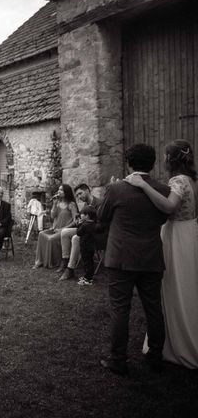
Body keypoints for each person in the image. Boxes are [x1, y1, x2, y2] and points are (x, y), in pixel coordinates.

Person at [124, 139, 198, 369]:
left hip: (177, 236)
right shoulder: (194, 180)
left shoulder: (178, 181)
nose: (163, 160)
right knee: (190, 286)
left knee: (175, 287)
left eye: (166, 156)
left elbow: (168, 207)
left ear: (172, 159)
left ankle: (181, 344)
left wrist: (143, 186)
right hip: (191, 232)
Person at [98, 143, 170, 375]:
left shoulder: (116, 189)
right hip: (150, 256)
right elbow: (162, 219)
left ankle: (118, 359)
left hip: (121, 257)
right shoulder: (162, 189)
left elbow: (102, 216)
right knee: (153, 308)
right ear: (153, 163)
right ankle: (156, 356)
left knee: (120, 309)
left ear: (129, 163)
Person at [58, 183, 103, 280]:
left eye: (80, 193)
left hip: (96, 235)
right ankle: (65, 260)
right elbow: (81, 218)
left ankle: (70, 269)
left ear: (87, 191)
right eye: (77, 195)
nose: (78, 197)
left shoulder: (99, 204)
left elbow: (100, 225)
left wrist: (86, 223)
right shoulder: (86, 204)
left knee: (76, 237)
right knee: (65, 232)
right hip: (85, 230)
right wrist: (78, 219)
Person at [33, 184, 78, 269]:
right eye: (58, 190)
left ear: (66, 192)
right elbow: (53, 216)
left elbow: (75, 221)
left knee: (51, 239)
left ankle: (53, 262)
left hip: (64, 230)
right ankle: (40, 261)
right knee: (41, 234)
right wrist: (54, 204)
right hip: (55, 229)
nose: (59, 191)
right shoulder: (57, 203)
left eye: (61, 190)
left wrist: (63, 229)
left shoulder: (71, 204)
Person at [75, 205, 98, 286]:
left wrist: (79, 224)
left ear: (87, 215)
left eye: (82, 214)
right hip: (91, 247)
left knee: (86, 263)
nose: (81, 215)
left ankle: (88, 279)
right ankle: (88, 277)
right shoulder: (94, 224)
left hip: (85, 247)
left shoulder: (85, 225)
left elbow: (78, 233)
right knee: (90, 262)